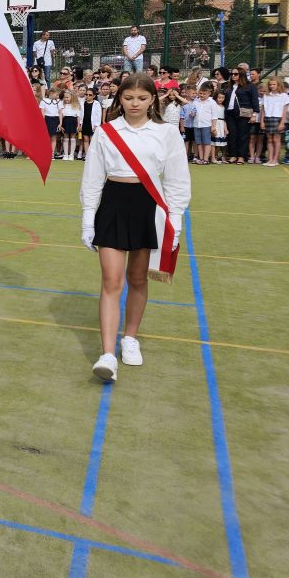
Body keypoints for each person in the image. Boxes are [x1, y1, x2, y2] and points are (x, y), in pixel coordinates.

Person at [80, 73, 191, 382]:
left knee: (138, 278)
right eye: (128, 98)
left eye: (142, 98)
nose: (135, 104)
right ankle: (106, 354)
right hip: (113, 205)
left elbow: (177, 178)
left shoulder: (166, 133)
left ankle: (130, 338)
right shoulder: (106, 132)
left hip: (149, 207)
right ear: (120, 99)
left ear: (152, 100)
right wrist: (89, 217)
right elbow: (92, 177)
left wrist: (176, 217)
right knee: (111, 281)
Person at [261, 78, 287, 167]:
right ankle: (270, 159)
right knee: (269, 139)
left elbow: (284, 110)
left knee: (276, 139)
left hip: (278, 118)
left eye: (274, 84)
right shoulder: (267, 95)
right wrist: (262, 122)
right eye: (270, 84)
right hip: (268, 118)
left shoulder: (283, 95)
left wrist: (282, 122)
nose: (271, 86)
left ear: (278, 85)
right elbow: (263, 109)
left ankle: (275, 159)